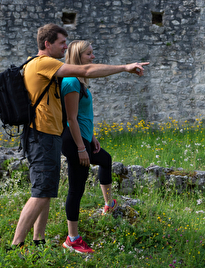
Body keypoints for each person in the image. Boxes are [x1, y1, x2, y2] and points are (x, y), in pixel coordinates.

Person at [11, 23, 148, 249]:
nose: (65, 47)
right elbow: (84, 71)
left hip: (49, 136)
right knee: (41, 194)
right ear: (47, 44)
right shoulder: (44, 63)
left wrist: (88, 137)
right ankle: (16, 247)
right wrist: (125, 67)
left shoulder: (37, 65)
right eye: (62, 43)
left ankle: (38, 242)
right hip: (42, 137)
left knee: (45, 192)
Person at [61, 40, 116, 253]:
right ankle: (72, 239)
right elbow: (71, 119)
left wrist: (91, 136)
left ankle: (108, 205)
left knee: (105, 159)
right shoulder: (71, 82)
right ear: (78, 57)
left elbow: (83, 115)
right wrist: (81, 148)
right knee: (76, 187)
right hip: (74, 141)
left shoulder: (79, 81)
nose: (93, 57)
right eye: (89, 54)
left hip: (83, 138)